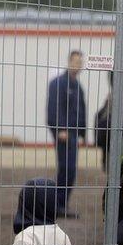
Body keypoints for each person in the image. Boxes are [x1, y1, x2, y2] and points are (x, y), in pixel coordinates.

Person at [46, 50, 86, 218]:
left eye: (80, 62)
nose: (78, 66)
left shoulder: (77, 86)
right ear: (69, 61)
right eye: (75, 62)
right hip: (63, 134)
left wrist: (83, 132)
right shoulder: (58, 83)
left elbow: (81, 109)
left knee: (71, 170)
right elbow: (53, 109)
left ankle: (62, 204)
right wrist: (60, 129)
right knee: (65, 168)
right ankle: (57, 204)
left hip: (74, 134)